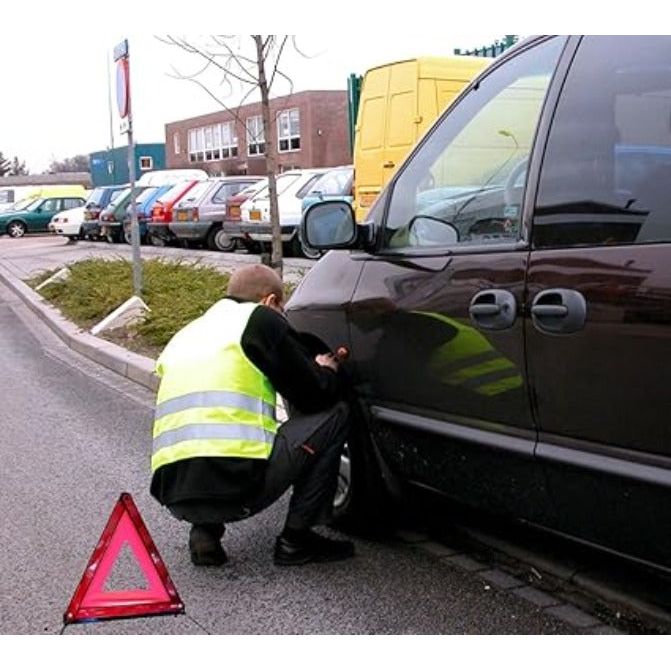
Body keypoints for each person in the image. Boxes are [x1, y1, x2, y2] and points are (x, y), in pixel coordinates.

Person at [150, 263, 353, 567]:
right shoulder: (260, 321)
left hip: (174, 493)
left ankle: (204, 531)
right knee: (335, 413)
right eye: (281, 307)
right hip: (239, 487)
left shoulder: (186, 333)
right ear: (270, 301)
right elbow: (315, 395)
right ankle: (297, 540)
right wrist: (325, 370)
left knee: (211, 434)